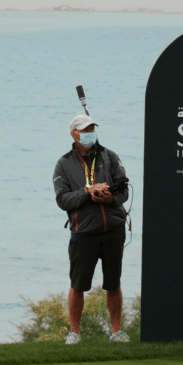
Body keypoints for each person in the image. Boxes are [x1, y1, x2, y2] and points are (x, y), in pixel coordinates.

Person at [53, 115, 130, 345]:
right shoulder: (64, 163)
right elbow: (62, 200)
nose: (89, 133)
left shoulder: (110, 156)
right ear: (74, 134)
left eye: (92, 128)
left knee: (113, 283)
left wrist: (109, 198)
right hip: (83, 232)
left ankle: (117, 332)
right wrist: (87, 192)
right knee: (78, 285)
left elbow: (124, 191)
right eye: (84, 129)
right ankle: (74, 333)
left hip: (113, 229)